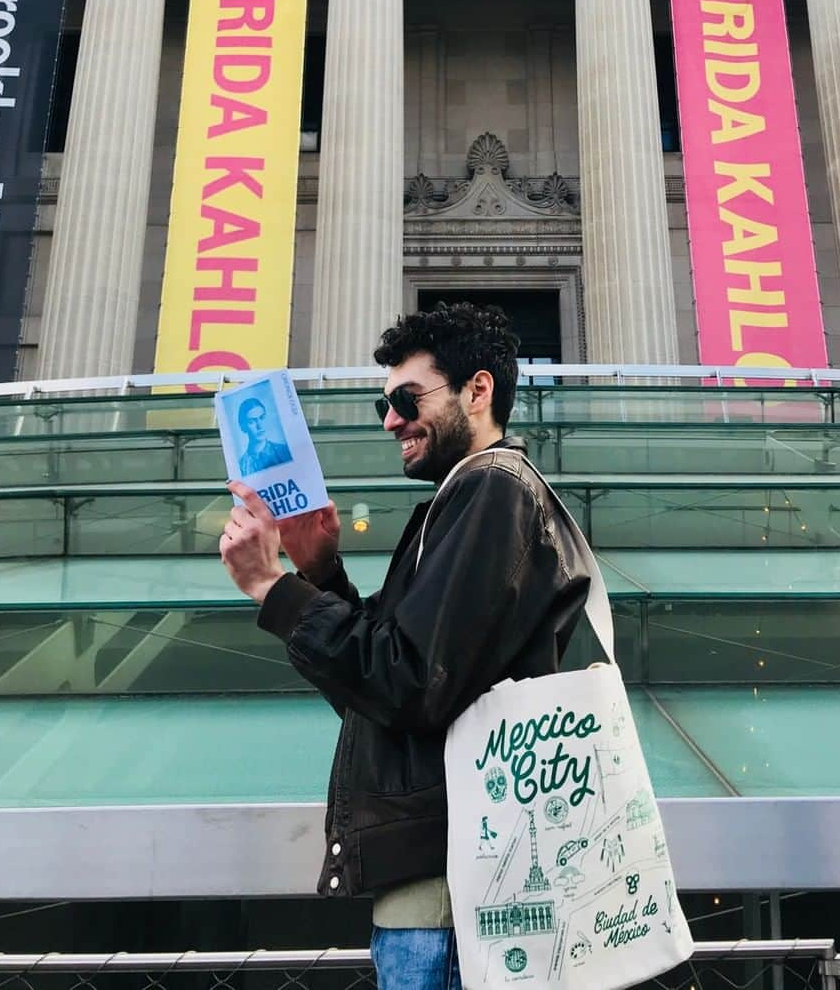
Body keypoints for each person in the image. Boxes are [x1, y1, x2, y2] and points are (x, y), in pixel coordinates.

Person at [219, 303, 592, 990]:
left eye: (405, 398)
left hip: (457, 909)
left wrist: (272, 586)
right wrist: (320, 574)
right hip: (450, 901)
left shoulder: (492, 489)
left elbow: (406, 682)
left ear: (478, 391)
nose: (390, 418)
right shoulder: (465, 502)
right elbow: (384, 700)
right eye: (383, 403)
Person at [236, 397, 292, 474]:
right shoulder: (241, 466)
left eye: (262, 418)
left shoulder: (284, 451)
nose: (260, 426)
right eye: (252, 421)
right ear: (243, 427)